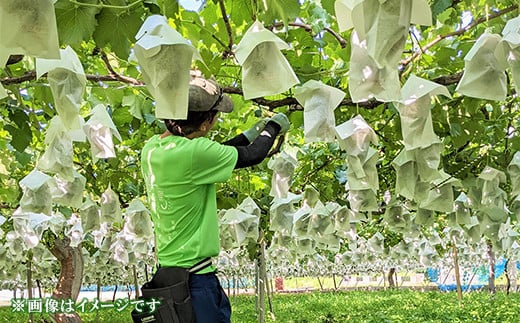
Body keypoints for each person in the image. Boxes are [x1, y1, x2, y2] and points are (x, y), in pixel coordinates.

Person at [140, 76, 289, 323]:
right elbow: (252, 156)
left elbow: (213, 155)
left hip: (169, 277)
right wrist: (273, 127)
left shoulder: (153, 148)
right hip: (196, 282)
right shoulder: (195, 153)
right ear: (205, 123)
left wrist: (249, 134)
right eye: (215, 116)